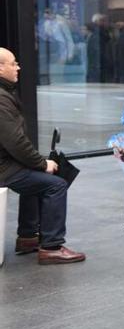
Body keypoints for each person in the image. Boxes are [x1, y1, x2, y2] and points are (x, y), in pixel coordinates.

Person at [0, 47, 86, 264]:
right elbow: (14, 141)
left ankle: (28, 236)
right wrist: (41, 163)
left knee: (36, 179)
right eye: (13, 63)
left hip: (6, 162)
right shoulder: (1, 99)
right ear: (0, 68)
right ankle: (51, 246)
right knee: (55, 185)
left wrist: (37, 164)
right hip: (4, 167)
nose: (18, 67)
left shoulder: (5, 93)